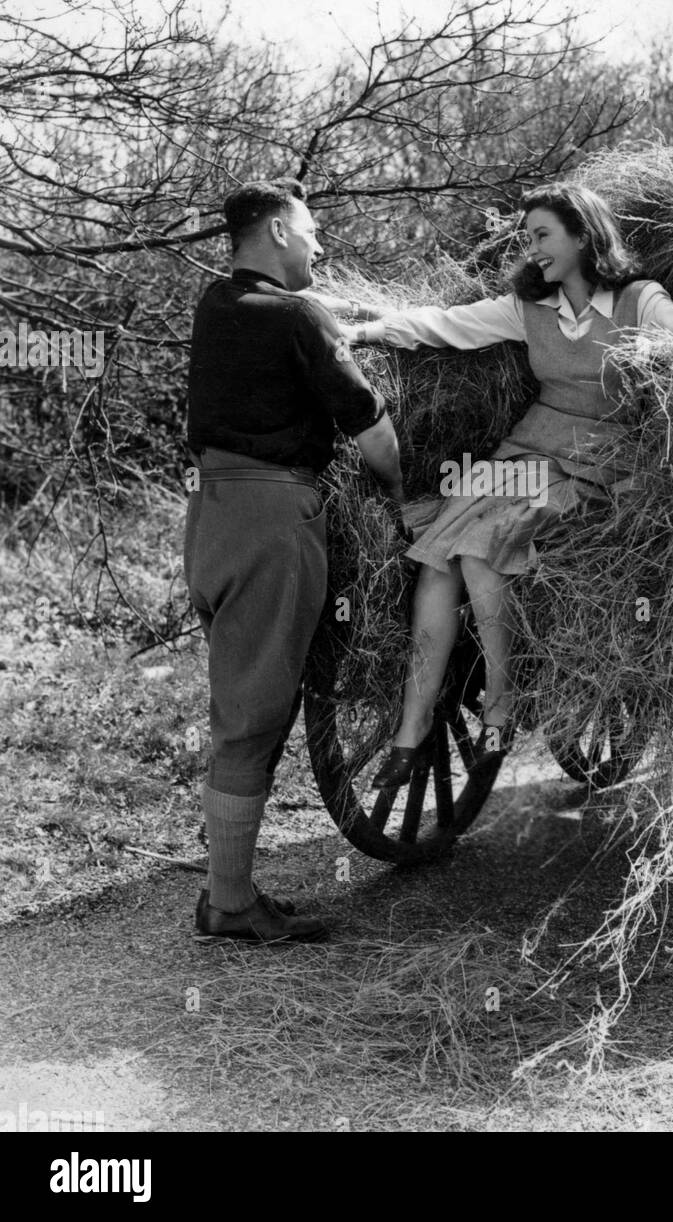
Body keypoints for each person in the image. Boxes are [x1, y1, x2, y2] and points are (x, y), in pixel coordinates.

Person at [339, 182, 673, 787]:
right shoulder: (530, 308)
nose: (532, 251)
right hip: (527, 451)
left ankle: (502, 701)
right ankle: (410, 729)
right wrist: (366, 334)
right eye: (527, 239)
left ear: (584, 235)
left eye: (543, 236)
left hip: (599, 459)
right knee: (437, 564)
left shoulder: (638, 301)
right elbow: (447, 326)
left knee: (479, 553)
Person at [184, 176, 403, 942]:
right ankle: (231, 905)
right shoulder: (296, 316)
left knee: (243, 706)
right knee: (251, 717)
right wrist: (406, 496)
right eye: (309, 229)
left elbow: (289, 330)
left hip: (211, 516)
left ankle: (230, 893)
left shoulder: (217, 305)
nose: (319, 242)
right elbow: (368, 426)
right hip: (274, 521)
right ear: (277, 231)